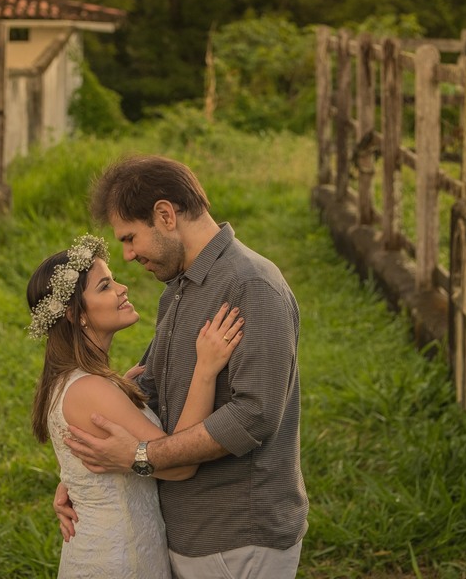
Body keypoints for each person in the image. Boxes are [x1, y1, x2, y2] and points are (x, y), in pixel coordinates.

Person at [59, 155, 308, 578]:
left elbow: (255, 415)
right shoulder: (180, 287)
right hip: (187, 530)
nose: (129, 253)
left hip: (237, 535)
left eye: (131, 238)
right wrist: (87, 474)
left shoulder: (251, 285)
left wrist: (140, 456)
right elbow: (152, 385)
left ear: (165, 214)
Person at [29, 233, 243, 579]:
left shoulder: (80, 381)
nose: (123, 288)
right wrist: (205, 370)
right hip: (121, 559)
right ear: (75, 315)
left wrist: (74, 480)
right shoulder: (92, 389)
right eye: (105, 286)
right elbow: (179, 467)